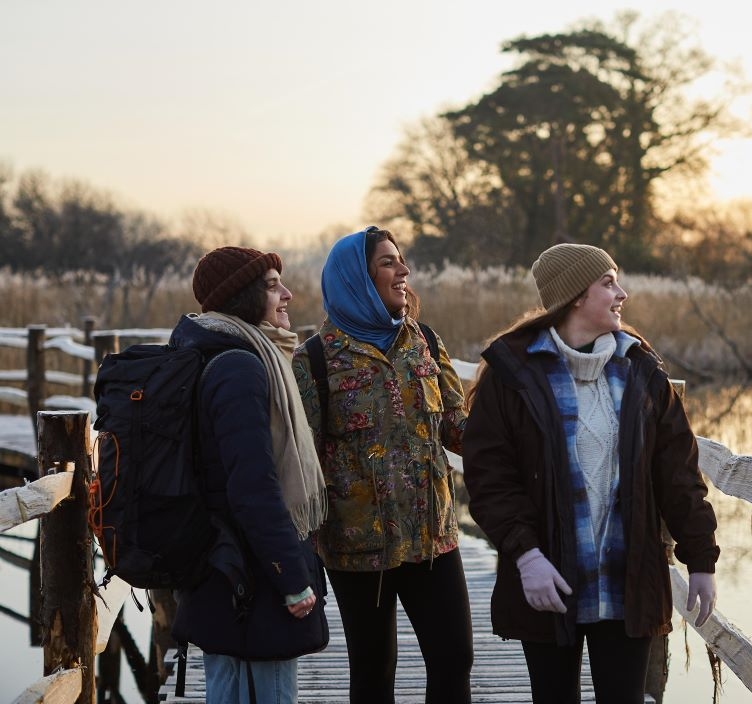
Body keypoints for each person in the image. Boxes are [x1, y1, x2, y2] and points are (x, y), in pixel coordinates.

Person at [461, 242, 719, 704]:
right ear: (576, 295)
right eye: (608, 282)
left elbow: (678, 474)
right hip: (549, 581)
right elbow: (490, 478)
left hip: (627, 581)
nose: (622, 293)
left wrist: (700, 557)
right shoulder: (512, 374)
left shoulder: (642, 371)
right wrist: (527, 557)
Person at [291, 225, 474, 704]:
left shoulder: (426, 342)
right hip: (358, 548)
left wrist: (520, 419)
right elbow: (301, 465)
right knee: (373, 670)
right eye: (389, 262)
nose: (404, 271)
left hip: (433, 537)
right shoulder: (314, 360)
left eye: (401, 260)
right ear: (357, 277)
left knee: (455, 658)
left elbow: (458, 430)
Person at [171, 246, 329, 704]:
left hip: (222, 567)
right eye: (272, 285)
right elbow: (253, 486)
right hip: (250, 576)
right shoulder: (240, 366)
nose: (288, 294)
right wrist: (292, 578)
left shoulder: (211, 350)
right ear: (242, 295)